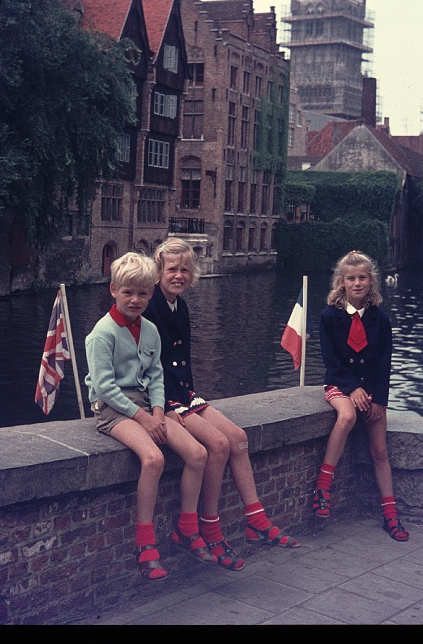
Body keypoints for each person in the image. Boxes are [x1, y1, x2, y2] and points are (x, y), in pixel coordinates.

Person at [143, 238, 300, 572]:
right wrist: (167, 408)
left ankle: (255, 519)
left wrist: (190, 399)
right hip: (164, 398)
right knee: (217, 444)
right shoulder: (150, 307)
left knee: (238, 438)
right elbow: (150, 367)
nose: (179, 275)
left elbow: (182, 360)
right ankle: (203, 529)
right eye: (172, 269)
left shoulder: (179, 306)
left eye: (185, 269)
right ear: (158, 271)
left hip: (184, 392)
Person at [85, 252, 217, 582]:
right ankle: (144, 543)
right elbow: (104, 388)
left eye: (143, 293)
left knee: (198, 453)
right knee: (153, 458)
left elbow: (157, 375)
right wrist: (145, 420)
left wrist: (158, 412)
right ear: (114, 289)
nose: (136, 299)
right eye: (129, 292)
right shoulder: (102, 334)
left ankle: (186, 528)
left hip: (147, 407)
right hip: (113, 411)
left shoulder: (150, 331)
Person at [313, 250, 410, 542]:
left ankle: (390, 516)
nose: (357, 283)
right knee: (346, 416)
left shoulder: (380, 319)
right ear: (341, 282)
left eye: (363, 278)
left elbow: (384, 362)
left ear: (371, 282)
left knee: (380, 451)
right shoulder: (330, 317)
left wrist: (379, 400)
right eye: (351, 278)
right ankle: (323, 485)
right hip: (340, 385)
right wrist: (352, 388)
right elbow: (331, 361)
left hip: (371, 390)